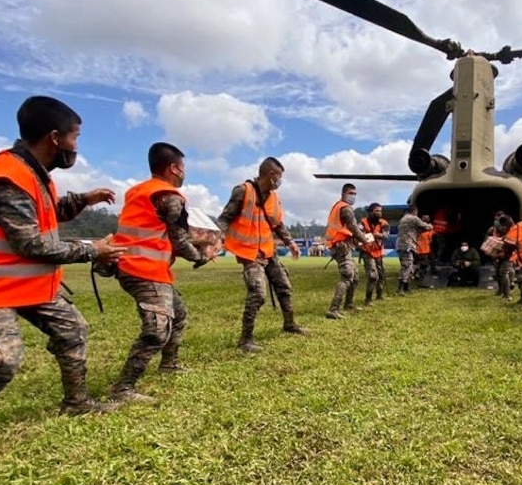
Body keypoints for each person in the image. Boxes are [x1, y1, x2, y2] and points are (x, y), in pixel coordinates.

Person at [0, 96, 126, 475]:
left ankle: (77, 402)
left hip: (22, 281)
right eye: (75, 137)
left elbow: (52, 211)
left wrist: (85, 199)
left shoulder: (33, 174)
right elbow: (31, 243)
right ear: (54, 137)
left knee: (72, 330)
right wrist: (93, 250)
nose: (76, 147)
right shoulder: (8, 176)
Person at [107, 143, 212, 404]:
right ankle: (124, 388)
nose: (184, 173)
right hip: (145, 270)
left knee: (179, 314)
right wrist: (200, 256)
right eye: (183, 168)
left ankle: (169, 363)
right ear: (174, 168)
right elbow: (179, 239)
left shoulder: (138, 192)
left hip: (129, 266)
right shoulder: (170, 196)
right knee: (157, 329)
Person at [217, 157, 307, 353]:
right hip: (249, 252)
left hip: (268, 249)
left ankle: (290, 324)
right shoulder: (243, 191)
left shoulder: (274, 197)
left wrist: (290, 242)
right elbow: (224, 218)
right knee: (258, 293)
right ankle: (245, 340)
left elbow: (278, 223)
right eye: (280, 177)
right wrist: (215, 240)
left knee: (284, 287)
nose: (280, 181)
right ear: (271, 174)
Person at [324, 183, 373, 319]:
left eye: (355, 194)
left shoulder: (337, 206)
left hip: (342, 245)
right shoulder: (345, 208)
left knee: (355, 277)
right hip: (340, 246)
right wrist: (364, 240)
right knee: (347, 276)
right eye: (351, 193)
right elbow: (353, 228)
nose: (353, 196)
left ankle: (348, 304)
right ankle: (333, 309)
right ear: (344, 194)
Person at [394, 204, 432, 294]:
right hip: (407, 245)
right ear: (415, 211)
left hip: (401, 244)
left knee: (409, 266)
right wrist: (430, 226)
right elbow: (425, 227)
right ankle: (401, 288)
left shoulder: (403, 219)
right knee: (407, 266)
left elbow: (415, 230)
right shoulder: (413, 218)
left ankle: (406, 287)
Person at [359, 203, 389, 304]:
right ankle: (368, 299)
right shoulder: (363, 222)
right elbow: (358, 234)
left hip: (379, 252)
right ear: (371, 212)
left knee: (381, 274)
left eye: (380, 211)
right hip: (367, 252)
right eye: (377, 211)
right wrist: (369, 236)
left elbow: (386, 235)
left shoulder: (383, 222)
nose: (379, 213)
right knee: (372, 276)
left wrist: (378, 235)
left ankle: (379, 295)